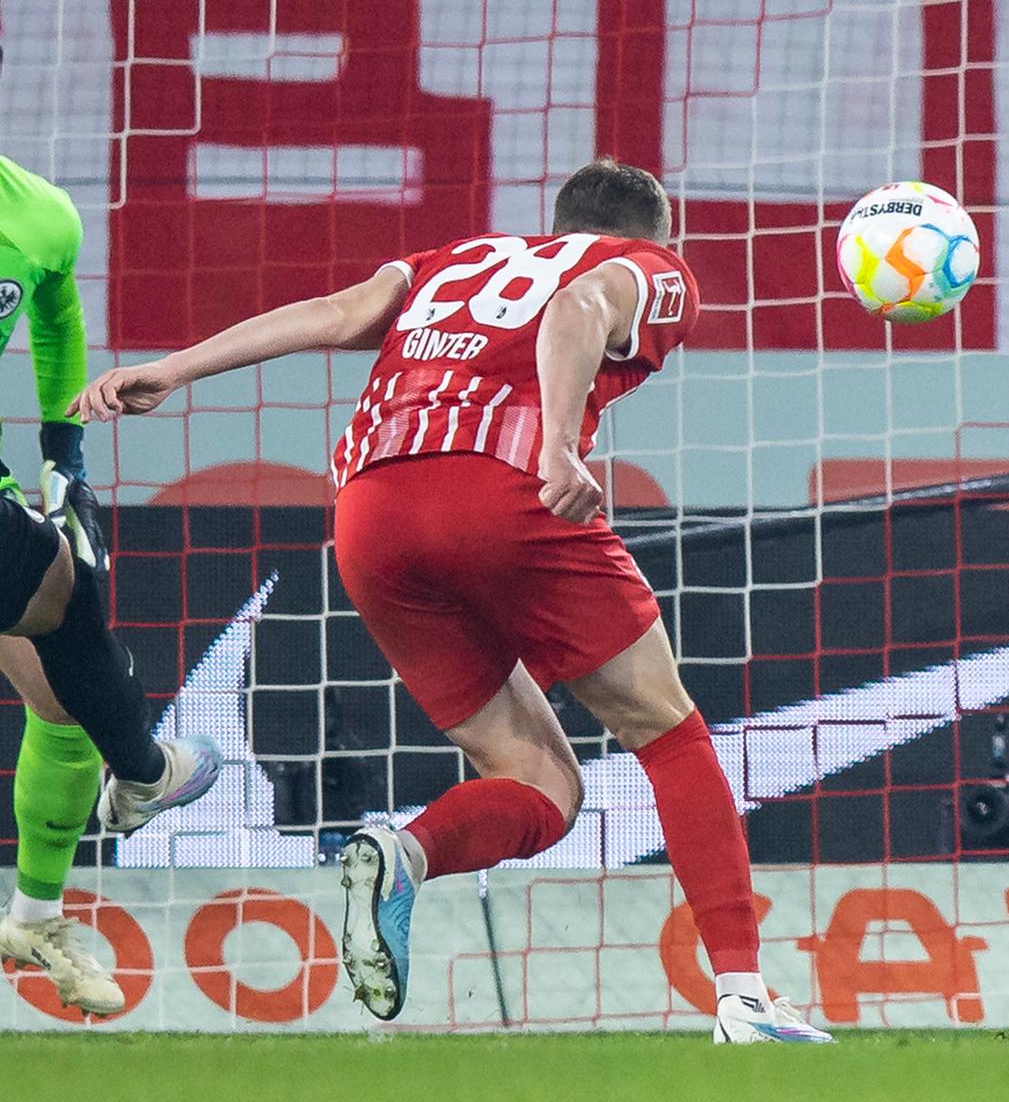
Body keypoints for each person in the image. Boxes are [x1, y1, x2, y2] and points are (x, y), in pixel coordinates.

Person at [72, 158, 832, 1045]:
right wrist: (558, 445)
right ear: (651, 236)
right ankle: (744, 996)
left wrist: (176, 367)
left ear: (553, 220)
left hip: (369, 513)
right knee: (667, 730)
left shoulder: (451, 260)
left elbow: (332, 315)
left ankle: (406, 853)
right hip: (502, 485)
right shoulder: (652, 271)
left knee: (541, 784)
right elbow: (579, 309)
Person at [0, 80, 221, 1013]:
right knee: (62, 594)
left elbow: (54, 312)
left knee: (58, 674)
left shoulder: (39, 217)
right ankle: (144, 770)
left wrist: (64, 449)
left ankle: (35, 911)